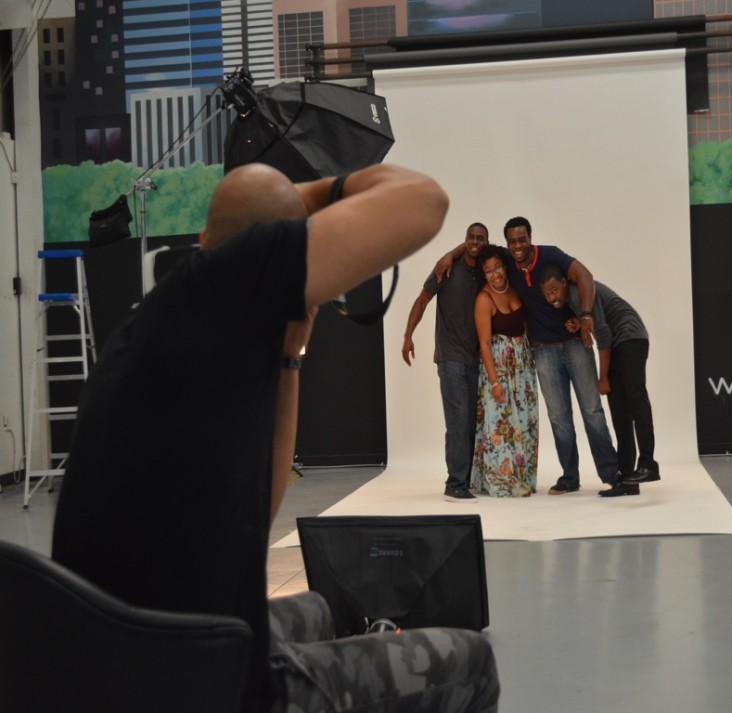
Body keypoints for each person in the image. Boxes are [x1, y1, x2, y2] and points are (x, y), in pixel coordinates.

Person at [51, 163, 500, 713]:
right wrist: (316, 196)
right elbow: (425, 199)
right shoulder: (238, 276)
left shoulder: (164, 324)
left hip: (116, 657)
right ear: (278, 247)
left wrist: (290, 357)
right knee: (474, 661)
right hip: (202, 678)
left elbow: (259, 510)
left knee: (318, 609)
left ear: (203, 238)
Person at [437, 216, 620, 495]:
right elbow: (480, 248)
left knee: (592, 410)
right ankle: (570, 477)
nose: (517, 246)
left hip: (574, 343)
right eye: (512, 242)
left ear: (530, 238)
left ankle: (611, 472)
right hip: (543, 350)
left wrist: (584, 316)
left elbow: (585, 276)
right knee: (558, 417)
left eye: (522, 240)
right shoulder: (507, 262)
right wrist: (451, 254)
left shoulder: (550, 255)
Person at [539, 264, 659, 498]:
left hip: (630, 337)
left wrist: (602, 378)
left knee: (636, 398)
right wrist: (578, 321)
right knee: (620, 413)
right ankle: (627, 478)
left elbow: (603, 334)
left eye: (554, 290)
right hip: (615, 344)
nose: (552, 297)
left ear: (565, 283)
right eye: (547, 294)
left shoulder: (579, 293)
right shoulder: (572, 301)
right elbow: (598, 322)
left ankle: (648, 464)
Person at [402, 222, 488, 502]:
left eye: (480, 238)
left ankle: (467, 478)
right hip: (450, 357)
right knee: (458, 419)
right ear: (465, 239)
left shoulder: (485, 270)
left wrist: (455, 250)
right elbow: (423, 300)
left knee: (472, 421)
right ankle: (454, 484)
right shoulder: (447, 268)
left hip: (475, 358)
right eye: (470, 238)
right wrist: (408, 336)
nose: (475, 242)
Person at [471, 244, 539, 497]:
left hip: (523, 367)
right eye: (489, 271)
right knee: (503, 423)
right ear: (484, 274)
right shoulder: (484, 299)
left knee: (525, 419)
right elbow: (484, 344)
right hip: (500, 367)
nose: (496, 274)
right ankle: (504, 481)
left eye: (498, 267)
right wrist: (494, 382)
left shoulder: (515, 288)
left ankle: (524, 477)